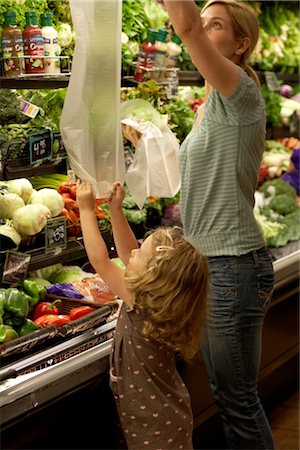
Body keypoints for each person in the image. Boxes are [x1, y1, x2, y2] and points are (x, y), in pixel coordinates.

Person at [123, 0, 275, 448]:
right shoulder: (214, 102)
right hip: (216, 265)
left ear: (240, 44)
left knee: (238, 402)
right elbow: (192, 175)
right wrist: (149, 140)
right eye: (205, 23)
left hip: (231, 265)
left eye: (217, 26)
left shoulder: (239, 90)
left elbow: (185, 26)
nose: (203, 32)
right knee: (234, 400)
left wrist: (190, 23)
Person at [76, 180, 209, 450]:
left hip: (151, 424)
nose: (132, 252)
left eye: (140, 254)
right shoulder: (162, 303)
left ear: (153, 279)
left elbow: (101, 260)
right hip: (167, 414)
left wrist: (86, 210)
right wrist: (115, 210)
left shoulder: (139, 303)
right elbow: (127, 254)